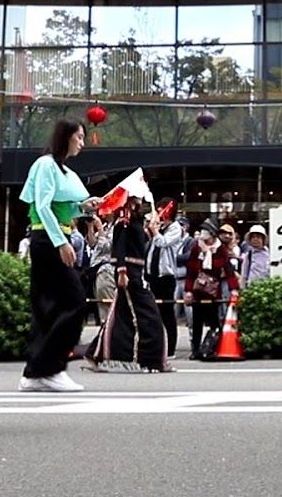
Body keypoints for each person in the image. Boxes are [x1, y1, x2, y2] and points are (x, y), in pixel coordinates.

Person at [15, 119, 95, 392]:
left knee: (49, 308)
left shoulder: (59, 168)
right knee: (73, 302)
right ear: (66, 137)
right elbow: (43, 206)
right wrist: (61, 242)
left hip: (52, 238)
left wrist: (83, 207)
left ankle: (38, 371)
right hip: (48, 240)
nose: (82, 143)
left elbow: (62, 209)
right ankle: (48, 368)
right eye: (79, 137)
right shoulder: (47, 165)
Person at [86, 198, 173, 373]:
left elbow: (137, 245)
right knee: (146, 316)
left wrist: (151, 230)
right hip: (129, 274)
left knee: (121, 315)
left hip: (137, 272)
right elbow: (120, 248)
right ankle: (147, 359)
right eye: (137, 198)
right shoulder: (123, 222)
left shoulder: (135, 222)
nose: (141, 201)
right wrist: (122, 271)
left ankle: (101, 353)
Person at [183, 219, 237, 360]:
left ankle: (210, 347)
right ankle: (195, 350)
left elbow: (228, 271)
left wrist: (233, 289)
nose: (203, 234)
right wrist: (188, 291)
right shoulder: (196, 248)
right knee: (197, 322)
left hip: (213, 291)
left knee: (214, 321)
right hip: (198, 290)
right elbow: (190, 272)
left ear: (212, 234)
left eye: (206, 231)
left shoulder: (221, 250)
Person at [145, 199, 188, 358]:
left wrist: (155, 231)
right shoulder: (161, 227)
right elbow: (151, 248)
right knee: (153, 313)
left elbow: (162, 243)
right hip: (153, 275)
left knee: (167, 313)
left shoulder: (175, 228)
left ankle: (170, 349)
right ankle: (157, 346)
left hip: (166, 276)